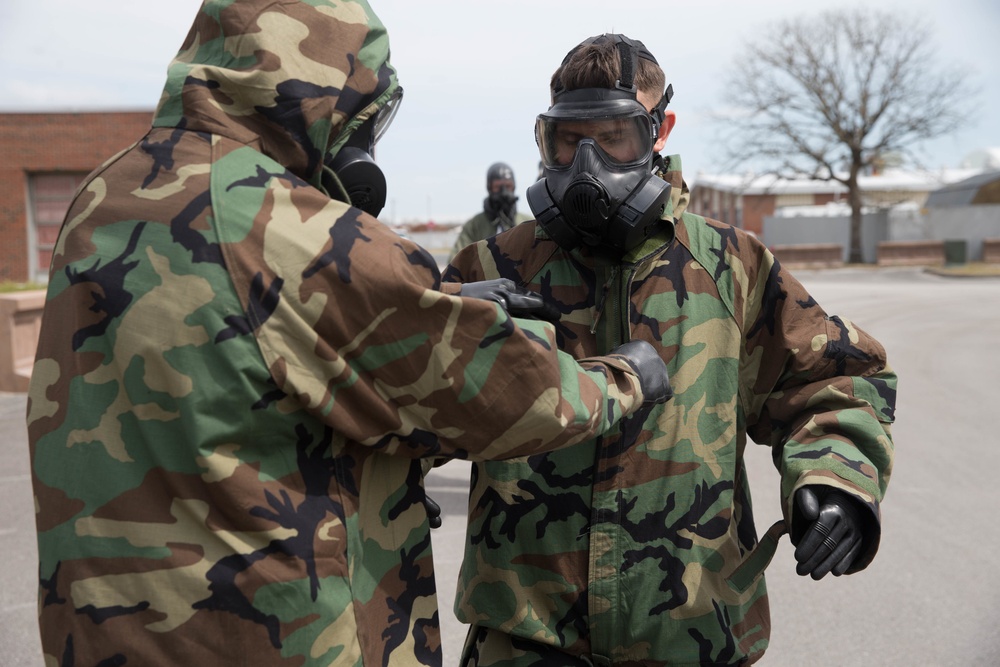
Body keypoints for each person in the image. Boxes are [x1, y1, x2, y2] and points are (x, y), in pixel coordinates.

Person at [24, 8, 674, 665]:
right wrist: (621, 376)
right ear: (321, 98)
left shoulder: (101, 194)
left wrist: (436, 304)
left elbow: (238, 353)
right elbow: (501, 394)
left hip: (103, 632)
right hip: (268, 635)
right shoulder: (297, 225)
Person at [445, 33, 897, 666]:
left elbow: (835, 384)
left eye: (614, 138)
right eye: (569, 141)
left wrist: (836, 478)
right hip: (526, 641)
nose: (587, 166)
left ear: (660, 130)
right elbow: (407, 415)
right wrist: (456, 338)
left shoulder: (730, 264)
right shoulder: (493, 265)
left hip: (693, 637)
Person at [447, 162, 532, 261]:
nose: (504, 192)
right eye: (497, 187)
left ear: (514, 187)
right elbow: (455, 262)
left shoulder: (529, 223)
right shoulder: (475, 226)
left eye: (508, 186)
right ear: (489, 188)